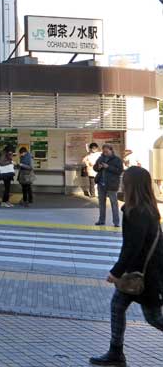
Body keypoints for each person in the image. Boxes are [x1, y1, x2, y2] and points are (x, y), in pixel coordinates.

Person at [89, 166, 163, 366]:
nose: (121, 182)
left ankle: (116, 353)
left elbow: (132, 247)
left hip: (144, 276)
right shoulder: (147, 209)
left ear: (132, 185)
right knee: (118, 306)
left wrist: (115, 272)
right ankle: (116, 353)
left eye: (124, 180)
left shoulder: (137, 212)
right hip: (143, 273)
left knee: (154, 318)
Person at [94, 144, 124, 227]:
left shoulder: (117, 160)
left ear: (111, 150)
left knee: (114, 203)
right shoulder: (101, 158)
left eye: (106, 151)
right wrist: (98, 167)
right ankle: (101, 220)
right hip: (101, 183)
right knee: (101, 203)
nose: (105, 153)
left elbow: (119, 171)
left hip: (112, 184)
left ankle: (116, 222)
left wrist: (108, 167)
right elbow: (95, 168)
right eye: (104, 152)